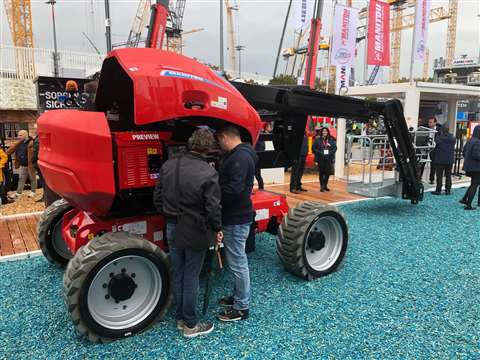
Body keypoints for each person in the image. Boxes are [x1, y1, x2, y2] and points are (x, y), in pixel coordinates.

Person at [153, 128, 222, 338]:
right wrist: (218, 228)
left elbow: (157, 198)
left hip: (172, 226)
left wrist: (168, 216)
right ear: (208, 148)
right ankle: (191, 325)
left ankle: (181, 318)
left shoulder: (169, 165)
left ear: (191, 144)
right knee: (192, 275)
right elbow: (212, 208)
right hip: (195, 229)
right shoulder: (208, 172)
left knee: (179, 271)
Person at [215, 126, 256, 322]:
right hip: (237, 215)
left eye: (218, 141)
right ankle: (238, 298)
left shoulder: (239, 157)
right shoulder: (243, 155)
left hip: (236, 217)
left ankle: (241, 308)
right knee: (236, 262)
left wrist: (213, 196)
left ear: (224, 137)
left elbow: (235, 189)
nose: (218, 146)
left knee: (238, 263)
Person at [7, 130, 37, 199]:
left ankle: (33, 192)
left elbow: (35, 153)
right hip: (22, 164)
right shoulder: (19, 142)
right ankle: (18, 193)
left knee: (32, 178)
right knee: (21, 179)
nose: (19, 136)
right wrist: (5, 153)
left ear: (25, 135)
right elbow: (12, 149)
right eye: (19, 135)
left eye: (20, 135)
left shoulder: (32, 142)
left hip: (30, 165)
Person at [459, 126, 480, 210]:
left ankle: (464, 199)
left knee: (473, 184)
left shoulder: (470, 140)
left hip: (470, 167)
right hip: (477, 168)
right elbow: (477, 155)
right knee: (474, 185)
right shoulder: (478, 142)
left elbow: (464, 152)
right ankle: (468, 205)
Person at [431, 126, 455, 195]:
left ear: (442, 131)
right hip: (449, 160)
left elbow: (434, 146)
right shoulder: (453, 138)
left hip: (440, 159)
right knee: (448, 175)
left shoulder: (438, 138)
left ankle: (438, 190)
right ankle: (448, 190)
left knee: (439, 176)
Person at [313, 127, 337, 192]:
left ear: (328, 132)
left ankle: (325, 185)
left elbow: (335, 148)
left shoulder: (331, 139)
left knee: (327, 173)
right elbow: (314, 149)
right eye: (323, 131)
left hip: (328, 159)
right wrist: (320, 152)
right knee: (321, 173)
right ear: (321, 132)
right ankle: (321, 186)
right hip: (320, 158)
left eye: (326, 131)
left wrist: (330, 152)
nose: (324, 132)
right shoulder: (317, 139)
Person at [427, 117, 441, 184]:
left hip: (434, 149)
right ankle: (419, 177)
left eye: (431, 122)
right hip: (425, 147)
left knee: (433, 164)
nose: (429, 123)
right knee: (422, 163)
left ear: (435, 123)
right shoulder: (425, 129)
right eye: (429, 122)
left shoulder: (439, 130)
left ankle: (431, 179)